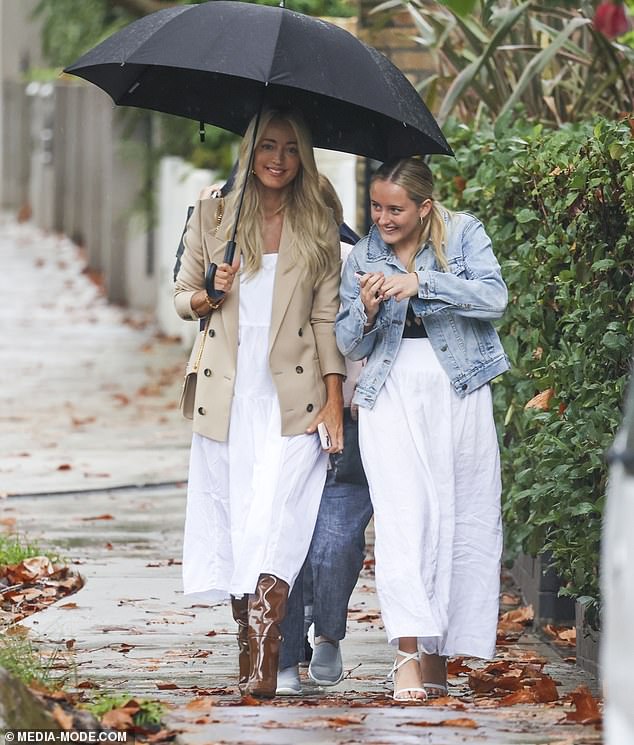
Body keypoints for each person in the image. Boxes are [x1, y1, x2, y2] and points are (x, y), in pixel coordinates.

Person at [173, 107, 345, 699]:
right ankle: (249, 658)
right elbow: (181, 296)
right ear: (249, 149)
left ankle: (270, 660)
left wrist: (332, 398)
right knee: (237, 521)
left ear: (304, 157)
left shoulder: (318, 216)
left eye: (291, 149)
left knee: (281, 518)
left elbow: (325, 316)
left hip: (291, 398)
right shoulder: (213, 210)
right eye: (267, 146)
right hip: (228, 393)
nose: (277, 159)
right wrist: (209, 293)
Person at [335, 157, 509, 701]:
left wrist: (421, 283)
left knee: (460, 515)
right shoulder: (363, 254)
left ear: (425, 206)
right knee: (402, 520)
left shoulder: (463, 233)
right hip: (389, 393)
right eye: (376, 206)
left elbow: (494, 299)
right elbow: (348, 343)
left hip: (457, 388)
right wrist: (363, 312)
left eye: (396, 209)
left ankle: (437, 654)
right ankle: (407, 656)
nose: (382, 218)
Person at [276, 175, 373, 696]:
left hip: (347, 424)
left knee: (334, 541)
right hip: (286, 420)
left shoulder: (355, 261)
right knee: (285, 541)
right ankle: (284, 657)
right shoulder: (265, 264)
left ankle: (328, 631)